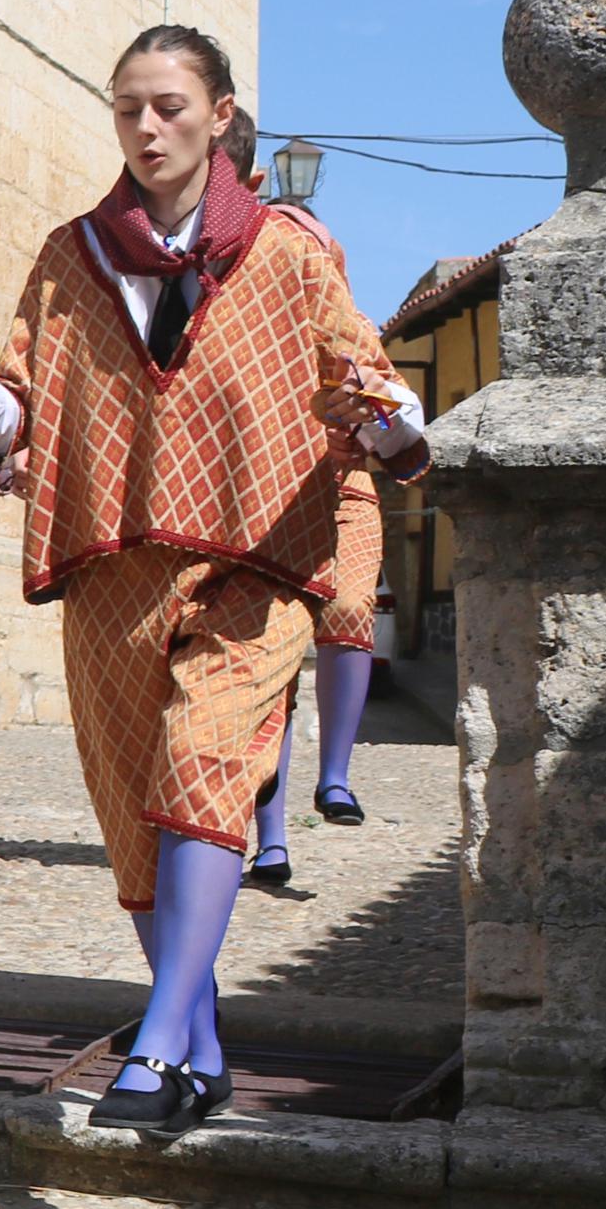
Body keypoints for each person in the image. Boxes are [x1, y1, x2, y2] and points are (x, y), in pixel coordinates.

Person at [0, 24, 428, 1136]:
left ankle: (156, 1035)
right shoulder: (69, 256)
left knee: (203, 770)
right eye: (127, 107)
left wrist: (389, 416)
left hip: (252, 564)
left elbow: (363, 377)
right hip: (112, 561)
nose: (145, 125)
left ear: (219, 116)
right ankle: (200, 1047)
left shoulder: (286, 252)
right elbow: (21, 397)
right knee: (134, 818)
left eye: (167, 104)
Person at [229, 119, 386, 886]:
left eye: (314, 254)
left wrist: (374, 415)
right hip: (274, 495)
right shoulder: (245, 326)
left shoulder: (352, 328)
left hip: (345, 487)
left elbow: (391, 402)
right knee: (273, 663)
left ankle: (336, 775)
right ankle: (271, 838)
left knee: (352, 608)